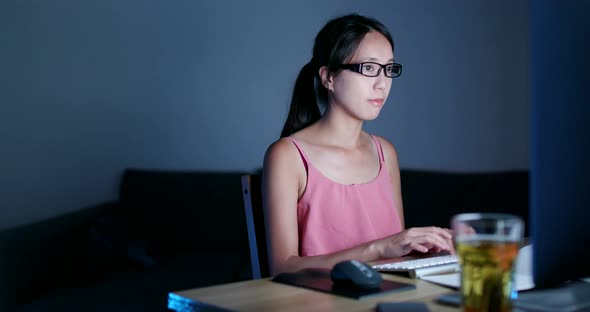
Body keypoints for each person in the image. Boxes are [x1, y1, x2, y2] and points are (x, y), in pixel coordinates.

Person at [262, 13, 454, 275]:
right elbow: (282, 267)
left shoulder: (385, 152)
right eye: (369, 68)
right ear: (328, 77)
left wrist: (431, 249)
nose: (382, 83)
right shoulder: (287, 156)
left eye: (389, 69)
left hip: (387, 297)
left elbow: (396, 254)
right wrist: (376, 249)